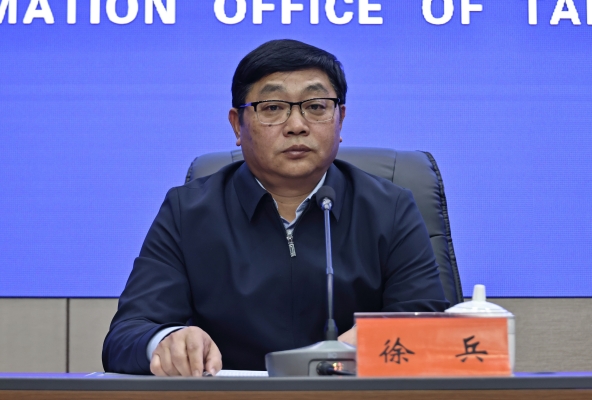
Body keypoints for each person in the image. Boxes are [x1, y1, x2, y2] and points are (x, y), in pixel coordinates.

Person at [102, 39, 449, 376]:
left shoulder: (390, 208)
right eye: (272, 108)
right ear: (237, 125)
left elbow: (429, 326)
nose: (297, 126)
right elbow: (127, 335)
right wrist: (166, 341)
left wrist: (379, 340)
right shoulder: (188, 211)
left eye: (316, 107)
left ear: (340, 119)